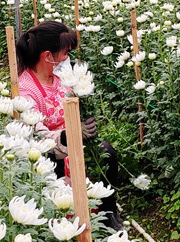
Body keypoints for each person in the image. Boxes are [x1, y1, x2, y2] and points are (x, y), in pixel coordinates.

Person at [15, 21, 124, 230]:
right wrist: (69, 135)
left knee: (106, 152)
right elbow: (36, 136)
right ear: (48, 56)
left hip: (72, 143)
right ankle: (61, 219)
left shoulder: (59, 79)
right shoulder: (26, 89)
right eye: (65, 53)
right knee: (50, 165)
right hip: (47, 153)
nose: (68, 59)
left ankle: (108, 210)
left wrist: (85, 124)